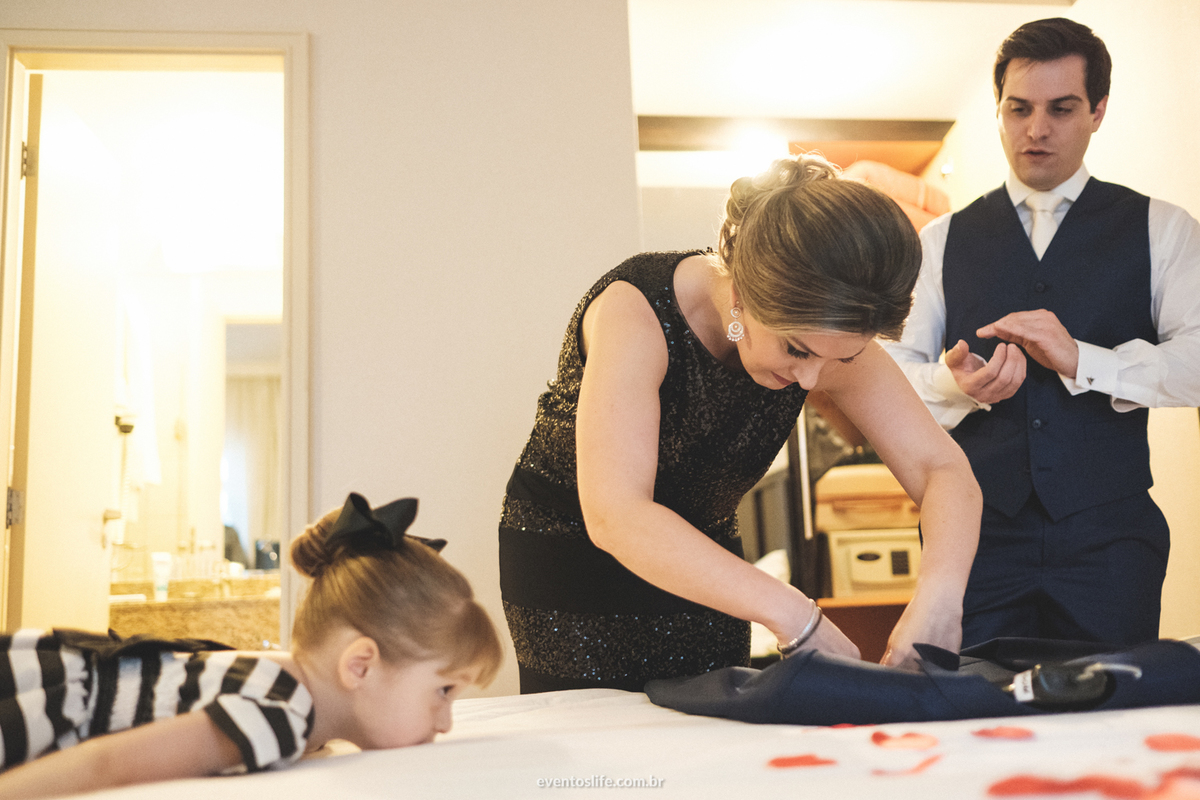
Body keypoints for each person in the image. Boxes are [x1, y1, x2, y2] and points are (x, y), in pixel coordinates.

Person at [499, 153, 981, 694]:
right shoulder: (634, 312)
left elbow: (942, 468)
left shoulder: (826, 337)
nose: (810, 380)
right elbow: (617, 514)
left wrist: (939, 598)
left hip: (707, 564)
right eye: (796, 350)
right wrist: (797, 615)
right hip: (573, 561)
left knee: (710, 750)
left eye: (839, 360)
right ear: (743, 297)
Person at [883, 18, 1200, 649]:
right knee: (970, 712)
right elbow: (889, 376)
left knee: (1111, 721)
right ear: (997, 111)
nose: (1036, 129)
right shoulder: (940, 241)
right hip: (975, 536)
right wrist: (954, 385)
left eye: (1061, 108)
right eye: (1018, 109)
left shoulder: (1162, 228)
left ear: (1098, 111)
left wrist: (1084, 359)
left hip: (1111, 541)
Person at [0, 492, 502, 799]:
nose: (446, 723)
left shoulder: (291, 687)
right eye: (443, 691)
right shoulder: (276, 717)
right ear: (361, 665)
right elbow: (107, 765)